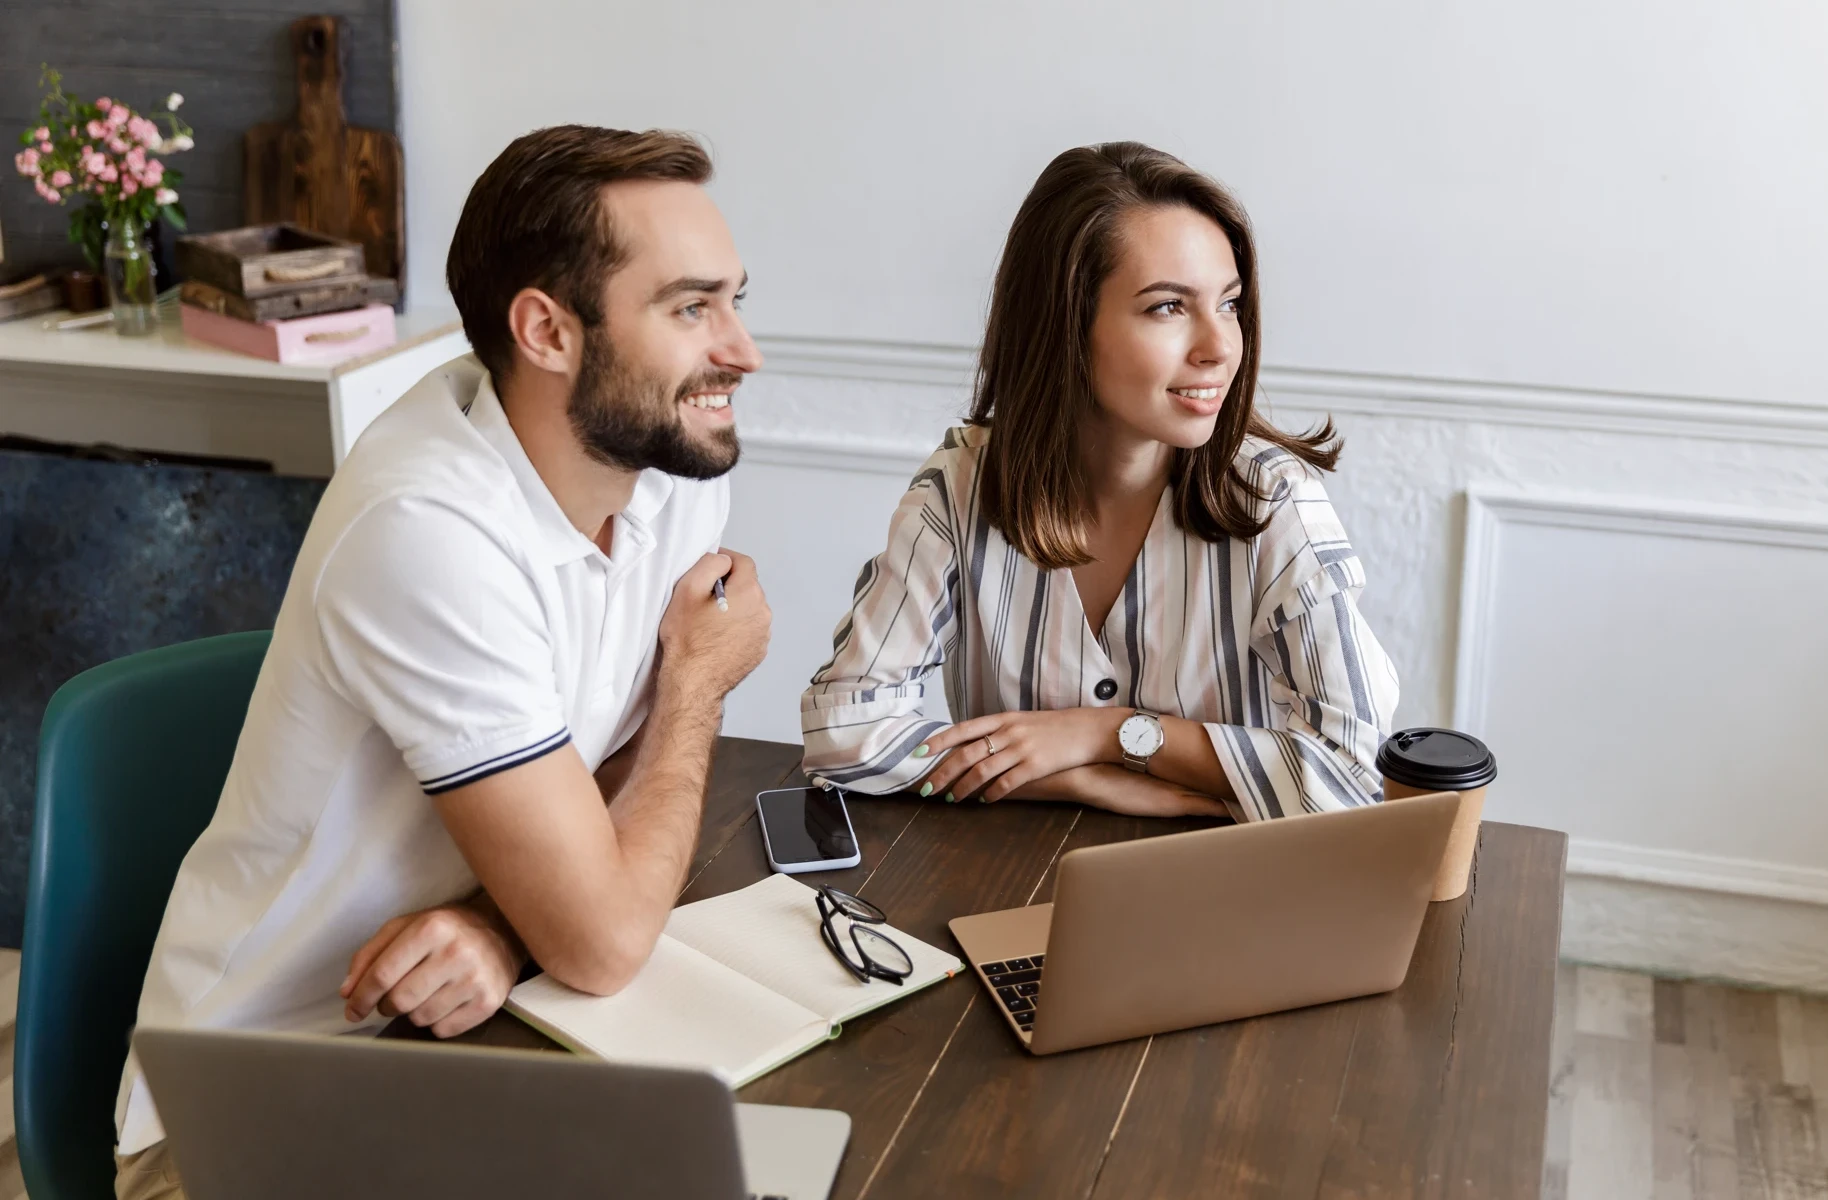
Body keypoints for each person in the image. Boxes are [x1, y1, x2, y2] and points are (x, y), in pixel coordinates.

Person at [112, 126, 771, 1199]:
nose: (739, 349)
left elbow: (614, 787)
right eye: (691, 308)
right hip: (253, 1114)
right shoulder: (424, 530)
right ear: (546, 330)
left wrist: (502, 929)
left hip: (480, 1038)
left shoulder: (670, 470)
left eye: (735, 299)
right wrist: (699, 680)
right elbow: (604, 937)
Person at [801, 142, 1397, 821]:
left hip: (1224, 892)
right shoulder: (959, 491)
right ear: (1065, 326)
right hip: (1008, 888)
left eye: (1229, 304)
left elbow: (1358, 772)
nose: (1220, 346)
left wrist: (1106, 736)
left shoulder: (1272, 499)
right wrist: (1063, 777)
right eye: (1169, 307)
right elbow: (839, 733)